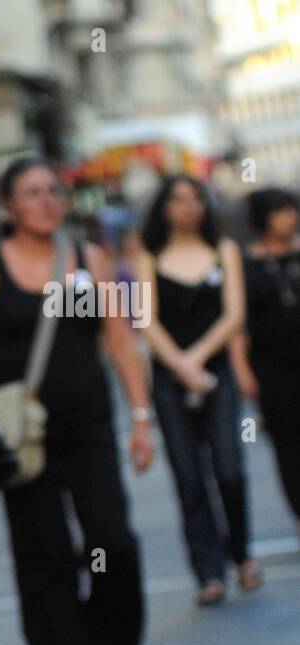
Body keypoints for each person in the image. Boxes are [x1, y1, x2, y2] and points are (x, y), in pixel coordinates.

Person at [0, 157, 156, 645]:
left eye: (54, 191)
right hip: (22, 438)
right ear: (9, 207)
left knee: (111, 540)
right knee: (44, 558)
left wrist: (141, 419)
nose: (46, 202)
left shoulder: (91, 261)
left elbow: (120, 343)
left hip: (89, 426)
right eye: (32, 193)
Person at [135, 174, 259, 604]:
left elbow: (234, 315)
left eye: (196, 199)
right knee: (189, 478)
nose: (189, 207)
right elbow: (145, 320)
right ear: (164, 207)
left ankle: (242, 554)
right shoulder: (149, 255)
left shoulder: (224, 250)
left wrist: (200, 358)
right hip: (171, 380)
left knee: (229, 468)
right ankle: (208, 572)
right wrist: (181, 365)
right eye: (178, 200)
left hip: (218, 374)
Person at [234, 187, 300, 532]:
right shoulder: (245, 266)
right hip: (273, 369)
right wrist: (243, 370)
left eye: (291, 209)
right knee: (289, 446)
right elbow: (237, 324)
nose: (289, 217)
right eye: (280, 211)